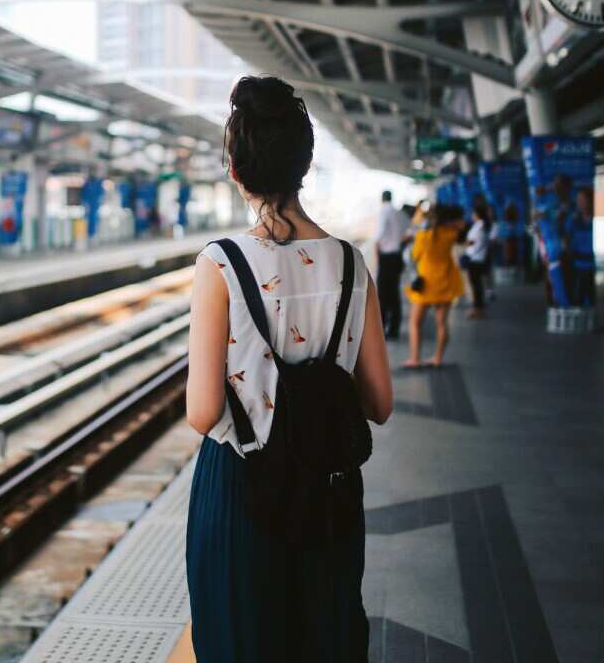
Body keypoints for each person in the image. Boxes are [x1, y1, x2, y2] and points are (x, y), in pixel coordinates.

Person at [185, 75, 393, 662]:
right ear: (304, 165)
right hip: (328, 484)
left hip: (242, 488)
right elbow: (379, 404)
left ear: (235, 168)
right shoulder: (351, 263)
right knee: (324, 635)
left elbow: (204, 413)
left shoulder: (220, 264)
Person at [404, 204, 466, 367]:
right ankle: (438, 358)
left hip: (426, 282)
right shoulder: (451, 233)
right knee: (441, 323)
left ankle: (415, 359)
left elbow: (415, 255)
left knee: (415, 322)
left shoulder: (424, 236)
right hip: (445, 280)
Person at [374, 189, 409, 339]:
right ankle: (394, 329)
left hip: (387, 257)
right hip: (397, 256)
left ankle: (382, 327)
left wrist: (377, 251)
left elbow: (380, 234)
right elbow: (410, 231)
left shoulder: (384, 211)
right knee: (394, 293)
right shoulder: (399, 212)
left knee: (382, 293)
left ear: (382, 199)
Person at [463, 199, 493, 319]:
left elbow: (473, 242)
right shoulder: (481, 225)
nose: (472, 215)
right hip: (477, 258)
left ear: (477, 214)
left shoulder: (480, 227)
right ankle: (478, 307)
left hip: (475, 259)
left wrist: (468, 244)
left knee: (476, 285)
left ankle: (478, 308)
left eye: (473, 213)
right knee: (477, 285)